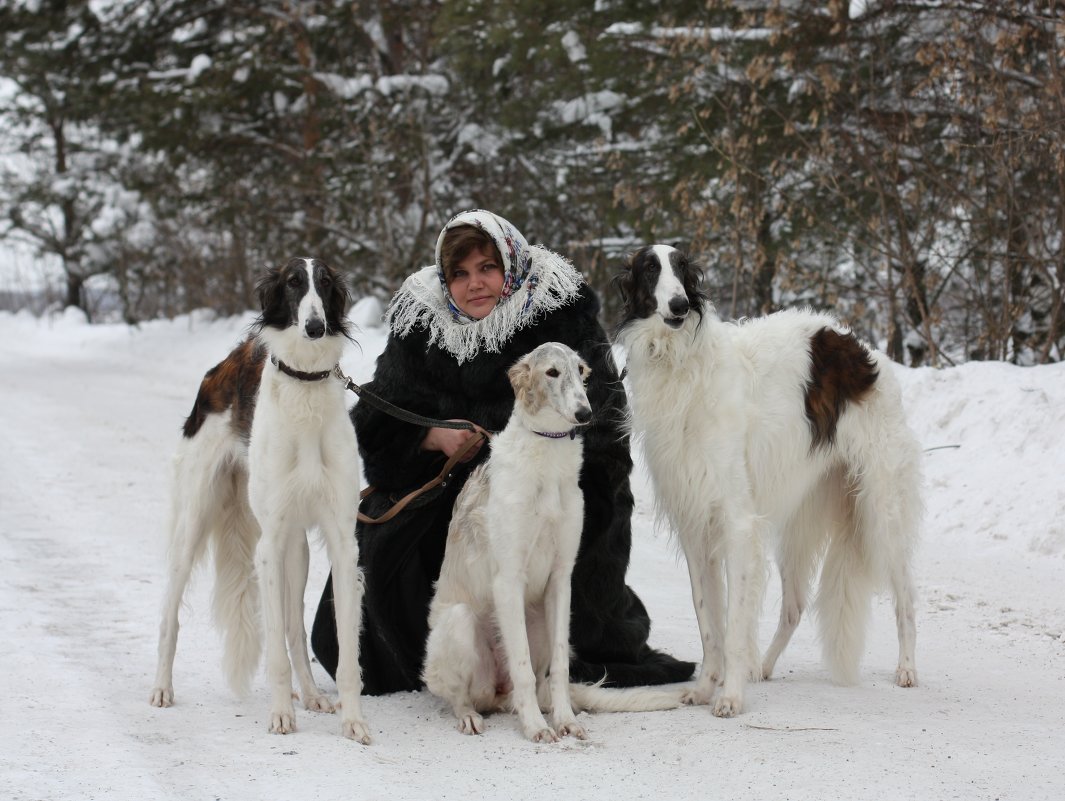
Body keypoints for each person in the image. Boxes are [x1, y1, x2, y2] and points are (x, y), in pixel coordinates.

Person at [311, 209, 694, 694]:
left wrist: (520, 455)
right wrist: (431, 439)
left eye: (487, 268)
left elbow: (602, 424)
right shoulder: (422, 322)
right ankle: (447, 661)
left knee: (572, 588)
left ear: (509, 266)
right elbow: (378, 417)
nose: (475, 284)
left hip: (552, 483)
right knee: (395, 586)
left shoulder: (559, 310)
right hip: (451, 496)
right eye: (460, 274)